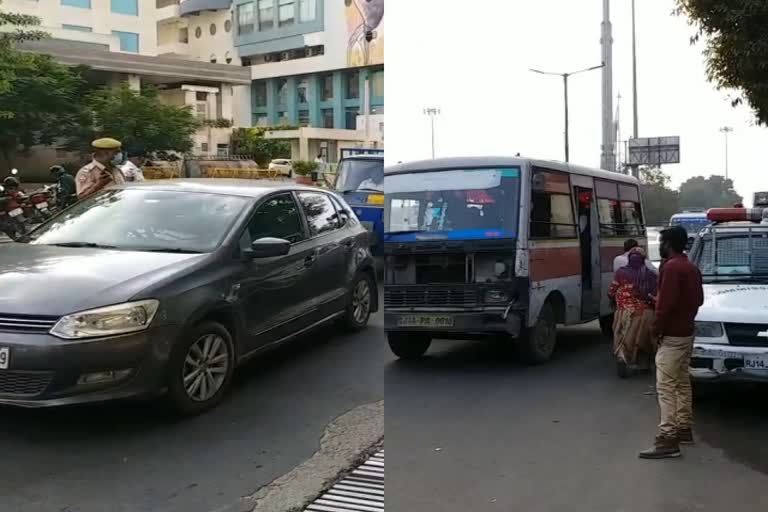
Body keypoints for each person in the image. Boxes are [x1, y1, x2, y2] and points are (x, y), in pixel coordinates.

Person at [639, 226, 704, 460]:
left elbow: (665, 306)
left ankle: (668, 439)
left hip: (672, 335)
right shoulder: (691, 267)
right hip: (687, 331)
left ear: (668, 244)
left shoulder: (671, 267)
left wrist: (655, 330)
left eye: (662, 242)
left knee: (665, 386)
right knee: (682, 380)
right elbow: (697, 299)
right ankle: (684, 427)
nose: (661, 246)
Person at [608, 247, 658, 378]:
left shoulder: (621, 272)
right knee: (645, 341)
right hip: (645, 312)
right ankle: (644, 365)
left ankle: (622, 356)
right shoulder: (651, 275)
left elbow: (612, 290)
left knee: (621, 336)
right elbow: (655, 295)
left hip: (624, 311)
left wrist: (613, 301)